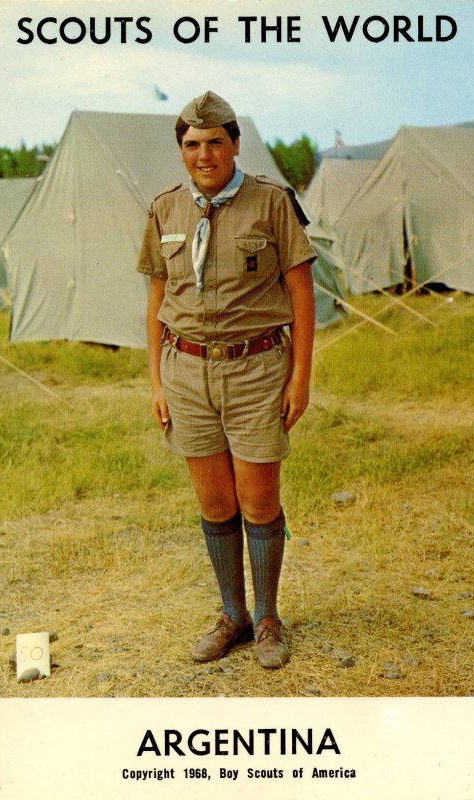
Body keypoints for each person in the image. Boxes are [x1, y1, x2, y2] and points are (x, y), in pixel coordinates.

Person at [137, 91, 316, 669]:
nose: (204, 154)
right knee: (215, 502)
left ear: (236, 145)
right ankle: (231, 614)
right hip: (186, 371)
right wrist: (158, 382)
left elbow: (301, 295)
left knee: (258, 500)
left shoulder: (270, 203)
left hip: (257, 368)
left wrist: (301, 379)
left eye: (216, 142)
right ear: (181, 152)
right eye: (192, 145)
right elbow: (157, 296)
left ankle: (267, 618)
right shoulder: (165, 209)